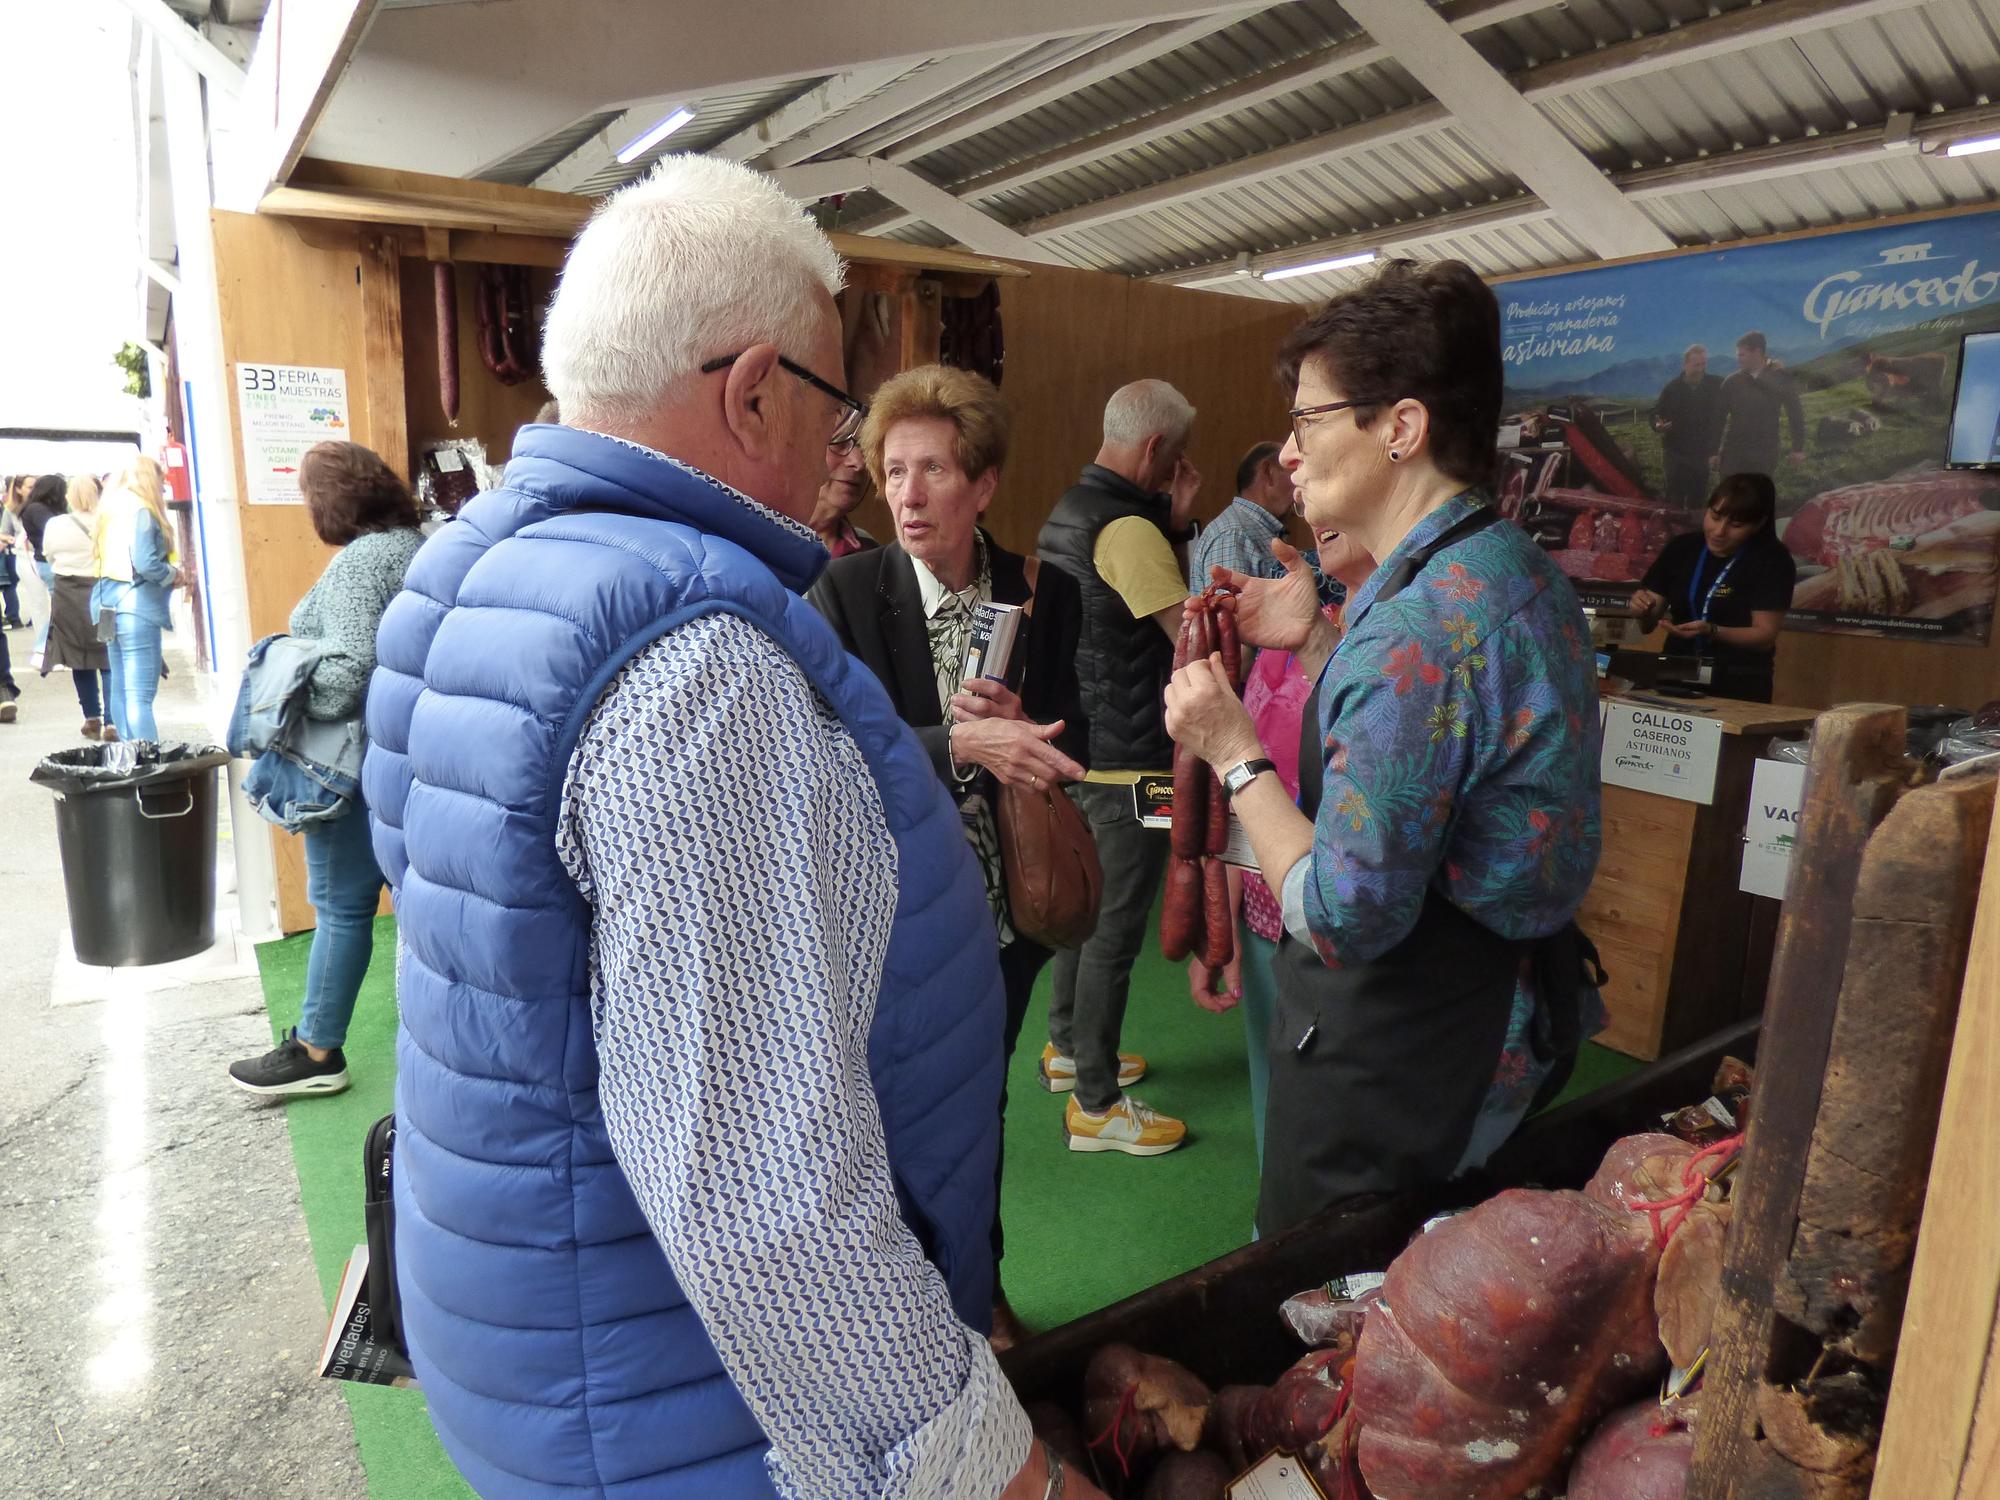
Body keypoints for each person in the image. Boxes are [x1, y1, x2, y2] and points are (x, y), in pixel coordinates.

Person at [363, 156, 1101, 1500]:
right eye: (835, 419)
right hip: (682, 1413)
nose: (846, 463)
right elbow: (771, 1212)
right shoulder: (696, 671)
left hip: (535, 1333)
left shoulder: (463, 575)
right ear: (751, 389)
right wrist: (1004, 1479)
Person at [1165, 259, 1605, 1237]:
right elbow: (1441, 753)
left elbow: (1340, 913)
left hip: (1411, 1064)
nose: (1288, 452)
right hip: (1506, 1022)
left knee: (1333, 1325)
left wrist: (1233, 750)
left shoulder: (1414, 633)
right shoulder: (1509, 569)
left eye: (1309, 419)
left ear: (1399, 427)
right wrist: (1323, 638)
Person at [808, 363, 1086, 1347]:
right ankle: (900, 1304)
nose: (910, 494)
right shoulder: (843, 590)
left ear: (984, 483)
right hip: (887, 912)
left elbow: (1075, 744)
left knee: (977, 1108)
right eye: (894, 471)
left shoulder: (1038, 592)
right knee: (880, 1114)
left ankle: (980, 1282)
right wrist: (957, 744)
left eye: (934, 469)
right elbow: (823, 755)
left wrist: (1028, 732)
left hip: (1003, 917)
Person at [1035, 380, 1203, 1157]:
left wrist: (1174, 523)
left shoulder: (1070, 509)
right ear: (1153, 452)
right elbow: (1186, 637)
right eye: (1173, 459)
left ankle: (1068, 1049)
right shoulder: (1129, 530)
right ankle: (1097, 1104)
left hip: (1086, 750)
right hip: (1136, 767)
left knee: (1084, 914)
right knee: (1113, 931)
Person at [229, 443, 423, 1096]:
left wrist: (282, 677)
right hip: (406, 751)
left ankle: (317, 1052)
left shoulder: (361, 561)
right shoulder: (415, 543)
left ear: (329, 500)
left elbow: (345, 679)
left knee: (341, 907)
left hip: (350, 759)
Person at [1185, 528, 1372, 1166]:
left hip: (1360, 940)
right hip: (1271, 916)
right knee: (1280, 1105)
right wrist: (1224, 917)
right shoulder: (1289, 631)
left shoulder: (1413, 642)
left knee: (1345, 1131)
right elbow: (1240, 788)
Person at [1629, 472, 1796, 703]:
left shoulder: (1772, 560)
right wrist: (1641, 609)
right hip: (1675, 671)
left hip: (1737, 681)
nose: (1719, 531)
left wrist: (1712, 630)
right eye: (1715, 517)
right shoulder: (1682, 548)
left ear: (1758, 524)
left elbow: (1765, 635)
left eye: (1735, 525)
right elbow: (1647, 624)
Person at [1189, 440, 1346, 618]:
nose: (1301, 486)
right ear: (1268, 472)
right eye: (1295, 473)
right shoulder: (1234, 534)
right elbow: (1228, 624)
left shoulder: (1253, 530)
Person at [91, 457, 179, 743]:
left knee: (119, 686)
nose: (164, 486)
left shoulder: (110, 510)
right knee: (140, 696)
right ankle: (148, 765)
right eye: (161, 480)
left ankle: (128, 757)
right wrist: (174, 574)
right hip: (136, 606)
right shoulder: (143, 510)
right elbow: (146, 564)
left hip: (106, 604)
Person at [37, 475, 112, 738]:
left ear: (69, 496)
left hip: (67, 595)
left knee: (78, 657)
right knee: (108, 655)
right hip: (103, 592)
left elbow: (48, 554)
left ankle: (92, 717)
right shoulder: (108, 521)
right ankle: (113, 721)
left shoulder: (56, 524)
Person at [1715, 330, 1806, 479]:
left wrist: (1798, 448)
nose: (1738, 359)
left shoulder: (1781, 378)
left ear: (1757, 352)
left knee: (1758, 497)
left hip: (1765, 454)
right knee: (1730, 499)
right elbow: (1718, 418)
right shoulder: (1731, 382)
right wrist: (1714, 451)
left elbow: (1795, 413)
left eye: (1742, 354)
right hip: (1733, 454)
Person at [1653, 344, 1726, 509]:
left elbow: (1742, 381)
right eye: (1696, 365)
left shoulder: (1716, 384)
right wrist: (1658, 425)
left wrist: (1771, 366)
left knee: (1698, 498)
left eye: (1703, 364)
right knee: (1674, 499)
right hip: (1675, 454)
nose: (1700, 369)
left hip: (1701, 454)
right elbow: (1655, 414)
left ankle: (1693, 531)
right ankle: (1674, 531)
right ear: (1684, 365)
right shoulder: (1671, 389)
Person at [810, 425, 878, 556]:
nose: (859, 463)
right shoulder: (763, 538)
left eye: (865, 449)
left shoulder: (870, 555)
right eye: (841, 442)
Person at [19, 474, 67, 656]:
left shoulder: (36, 508)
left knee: (60, 607)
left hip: (48, 561)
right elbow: (52, 530)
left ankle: (46, 648)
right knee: (61, 608)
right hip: (49, 562)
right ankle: (42, 647)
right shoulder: (38, 509)